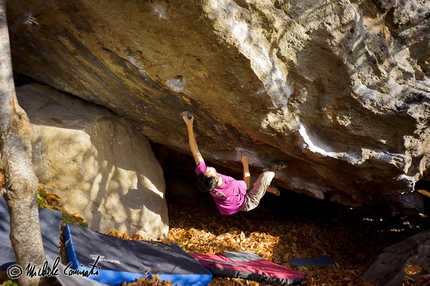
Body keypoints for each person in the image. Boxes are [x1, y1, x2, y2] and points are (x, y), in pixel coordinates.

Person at [182, 113, 287, 215]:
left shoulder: (206, 179)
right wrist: (245, 163)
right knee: (265, 176)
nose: (207, 168)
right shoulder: (230, 186)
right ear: (217, 178)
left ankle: (269, 188)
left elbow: (195, 151)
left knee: (254, 181)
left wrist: (189, 126)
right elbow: (246, 184)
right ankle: (275, 167)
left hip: (235, 198)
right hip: (247, 202)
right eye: (209, 170)